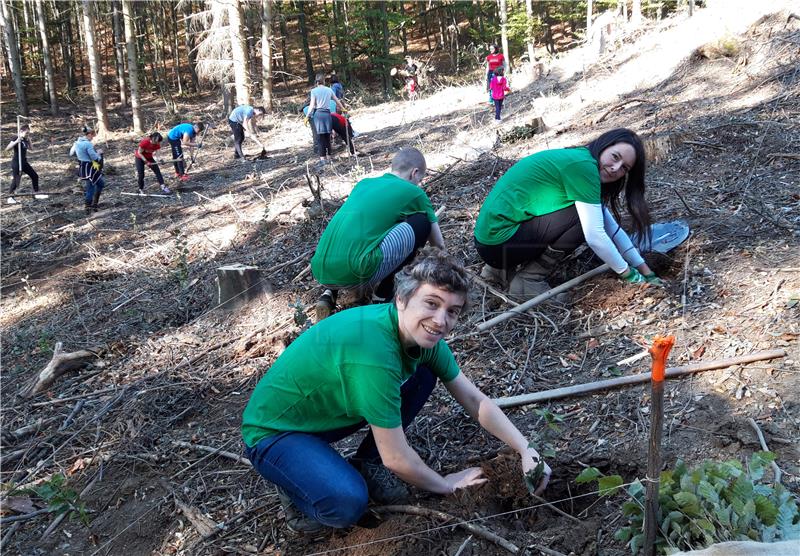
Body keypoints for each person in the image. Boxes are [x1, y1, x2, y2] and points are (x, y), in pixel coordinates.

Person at [242, 248, 552, 535]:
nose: (441, 320)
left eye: (453, 311)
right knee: (347, 503)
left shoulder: (420, 337)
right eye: (431, 304)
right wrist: (445, 484)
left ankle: (365, 463)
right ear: (401, 300)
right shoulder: (375, 353)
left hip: (325, 415)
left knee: (425, 372)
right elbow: (397, 457)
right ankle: (297, 493)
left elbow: (473, 399)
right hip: (274, 433)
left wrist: (526, 449)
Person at [473, 128, 664, 299]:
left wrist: (645, 270)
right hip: (499, 245)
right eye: (615, 157)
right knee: (583, 220)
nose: (615, 168)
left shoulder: (579, 160)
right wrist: (629, 274)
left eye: (624, 168)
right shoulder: (583, 168)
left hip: (491, 245)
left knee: (590, 215)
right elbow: (596, 236)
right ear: (604, 146)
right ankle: (527, 281)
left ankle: (498, 271)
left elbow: (612, 229)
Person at [310, 148, 444, 319]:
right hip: (356, 271)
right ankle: (382, 296)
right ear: (414, 173)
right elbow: (438, 244)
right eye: (420, 179)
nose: (419, 183)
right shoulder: (415, 193)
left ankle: (329, 294)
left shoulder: (363, 184)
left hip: (320, 268)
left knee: (356, 234)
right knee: (421, 222)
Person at [307, 74, 345, 167]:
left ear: (316, 82)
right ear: (324, 81)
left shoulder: (314, 91)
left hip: (318, 115)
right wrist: (343, 108)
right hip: (327, 114)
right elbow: (337, 100)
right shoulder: (329, 90)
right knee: (328, 136)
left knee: (320, 137)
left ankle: (322, 159)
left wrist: (307, 116)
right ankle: (329, 157)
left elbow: (312, 105)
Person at [5, 124, 47, 204]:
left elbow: (31, 149)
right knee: (16, 180)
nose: (28, 134)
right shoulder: (16, 138)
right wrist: (16, 142)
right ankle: (10, 197)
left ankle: (36, 193)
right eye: (27, 133)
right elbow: (7, 148)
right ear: (21, 131)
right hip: (17, 162)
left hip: (24, 162)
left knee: (34, 176)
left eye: (29, 133)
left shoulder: (25, 139)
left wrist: (29, 139)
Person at [71, 125, 105, 214]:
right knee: (90, 188)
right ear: (89, 134)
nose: (93, 138)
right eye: (92, 136)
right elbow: (94, 157)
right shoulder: (87, 144)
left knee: (101, 183)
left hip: (83, 166)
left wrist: (81, 155)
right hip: (89, 168)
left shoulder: (77, 142)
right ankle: (88, 207)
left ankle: (95, 203)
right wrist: (99, 154)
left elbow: (71, 153)